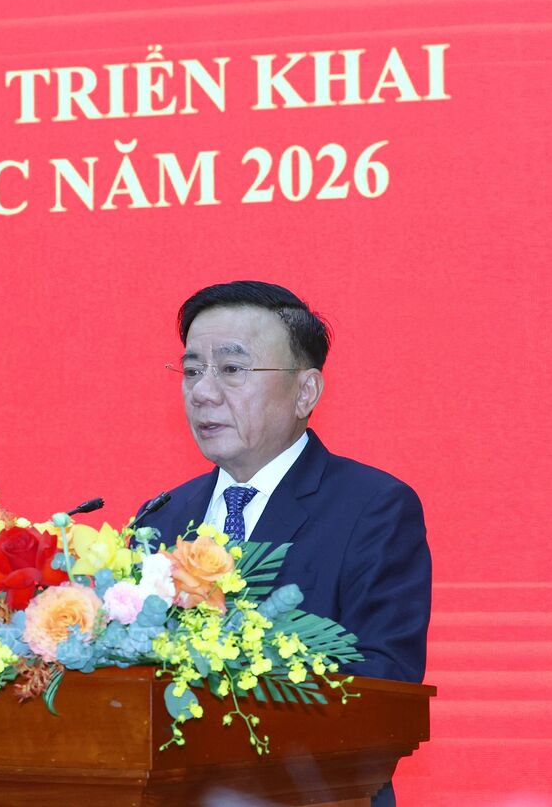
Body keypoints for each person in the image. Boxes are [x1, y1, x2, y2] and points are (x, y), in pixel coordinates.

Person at [136, 281, 431, 807]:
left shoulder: (373, 508)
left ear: (305, 392)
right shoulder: (162, 517)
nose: (203, 392)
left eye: (232, 369)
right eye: (192, 370)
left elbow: (385, 687)